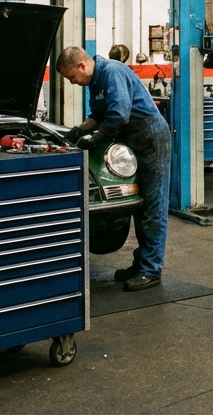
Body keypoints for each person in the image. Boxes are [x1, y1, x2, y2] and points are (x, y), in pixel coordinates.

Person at [57, 46, 171, 292]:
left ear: (81, 66)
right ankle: (141, 264)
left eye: (71, 77)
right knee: (139, 206)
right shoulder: (95, 82)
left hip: (150, 137)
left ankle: (151, 271)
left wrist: (96, 138)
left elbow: (118, 116)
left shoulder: (112, 72)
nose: (72, 82)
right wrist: (77, 131)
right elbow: (97, 115)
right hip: (133, 139)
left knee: (153, 206)